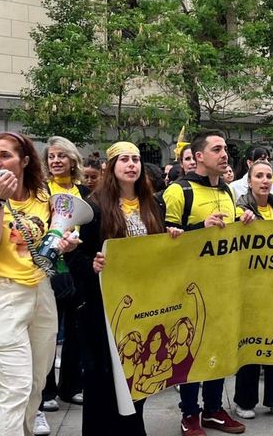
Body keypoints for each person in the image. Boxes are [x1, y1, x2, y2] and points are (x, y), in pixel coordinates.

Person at [0, 132, 78, 435]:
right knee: (14, 387)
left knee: (36, 384)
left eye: (5, 155)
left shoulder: (43, 197)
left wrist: (66, 243)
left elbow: (52, 239)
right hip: (2, 295)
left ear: (25, 160)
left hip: (41, 292)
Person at [70, 141, 180, 433]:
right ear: (111, 167)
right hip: (106, 304)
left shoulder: (155, 203)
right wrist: (92, 265)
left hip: (144, 303)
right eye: (124, 160)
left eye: (136, 159)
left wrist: (172, 237)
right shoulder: (94, 207)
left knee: (138, 369)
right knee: (104, 376)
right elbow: (76, 255)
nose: (131, 164)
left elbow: (160, 250)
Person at [163, 130, 253, 436]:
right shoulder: (178, 191)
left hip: (224, 284)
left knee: (220, 348)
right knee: (189, 349)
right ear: (199, 156)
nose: (224, 154)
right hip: (189, 286)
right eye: (217, 149)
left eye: (225, 148)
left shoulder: (228, 192)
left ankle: (214, 409)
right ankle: (189, 413)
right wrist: (200, 227)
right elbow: (164, 240)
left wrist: (244, 218)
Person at [232, 160, 273, 421]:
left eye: (269, 176)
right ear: (249, 181)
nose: (265, 180)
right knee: (250, 344)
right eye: (259, 175)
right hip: (250, 286)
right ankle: (244, 401)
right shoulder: (240, 208)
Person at [39, 136, 89, 420]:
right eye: (51, 157)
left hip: (78, 264)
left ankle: (71, 386)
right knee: (48, 331)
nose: (55, 161)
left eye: (61, 156)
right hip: (51, 265)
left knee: (76, 330)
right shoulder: (41, 191)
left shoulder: (84, 190)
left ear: (72, 160)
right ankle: (46, 392)